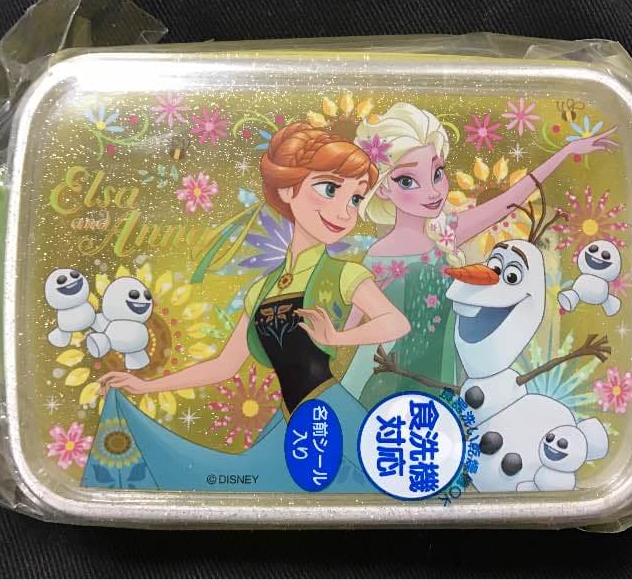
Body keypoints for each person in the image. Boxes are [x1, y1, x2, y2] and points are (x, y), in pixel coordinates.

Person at [81, 121, 410, 492]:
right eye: (330, 189)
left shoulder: (342, 273)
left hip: (329, 417)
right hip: (291, 424)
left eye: (355, 198)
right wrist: (146, 386)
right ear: (287, 189)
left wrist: (338, 337)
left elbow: (396, 322)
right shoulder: (262, 290)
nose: (345, 211)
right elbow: (224, 365)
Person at [340, 102, 617, 407]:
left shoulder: (445, 233)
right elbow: (353, 324)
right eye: (407, 181)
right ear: (382, 189)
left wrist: (566, 152)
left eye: (437, 173)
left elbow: (510, 200)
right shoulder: (378, 256)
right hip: (385, 371)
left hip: (440, 367)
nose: (432, 191)